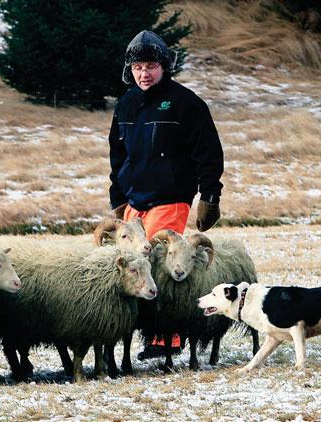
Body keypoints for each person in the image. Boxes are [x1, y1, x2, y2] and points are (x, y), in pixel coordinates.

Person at [108, 30, 224, 359]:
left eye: (151, 66)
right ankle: (139, 330)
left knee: (163, 265)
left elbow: (209, 154)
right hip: (135, 200)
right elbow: (117, 155)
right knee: (132, 264)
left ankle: (168, 336)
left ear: (164, 66)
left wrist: (209, 196)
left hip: (171, 197)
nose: (144, 74)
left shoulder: (186, 103)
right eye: (138, 67)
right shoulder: (126, 104)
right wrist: (117, 197)